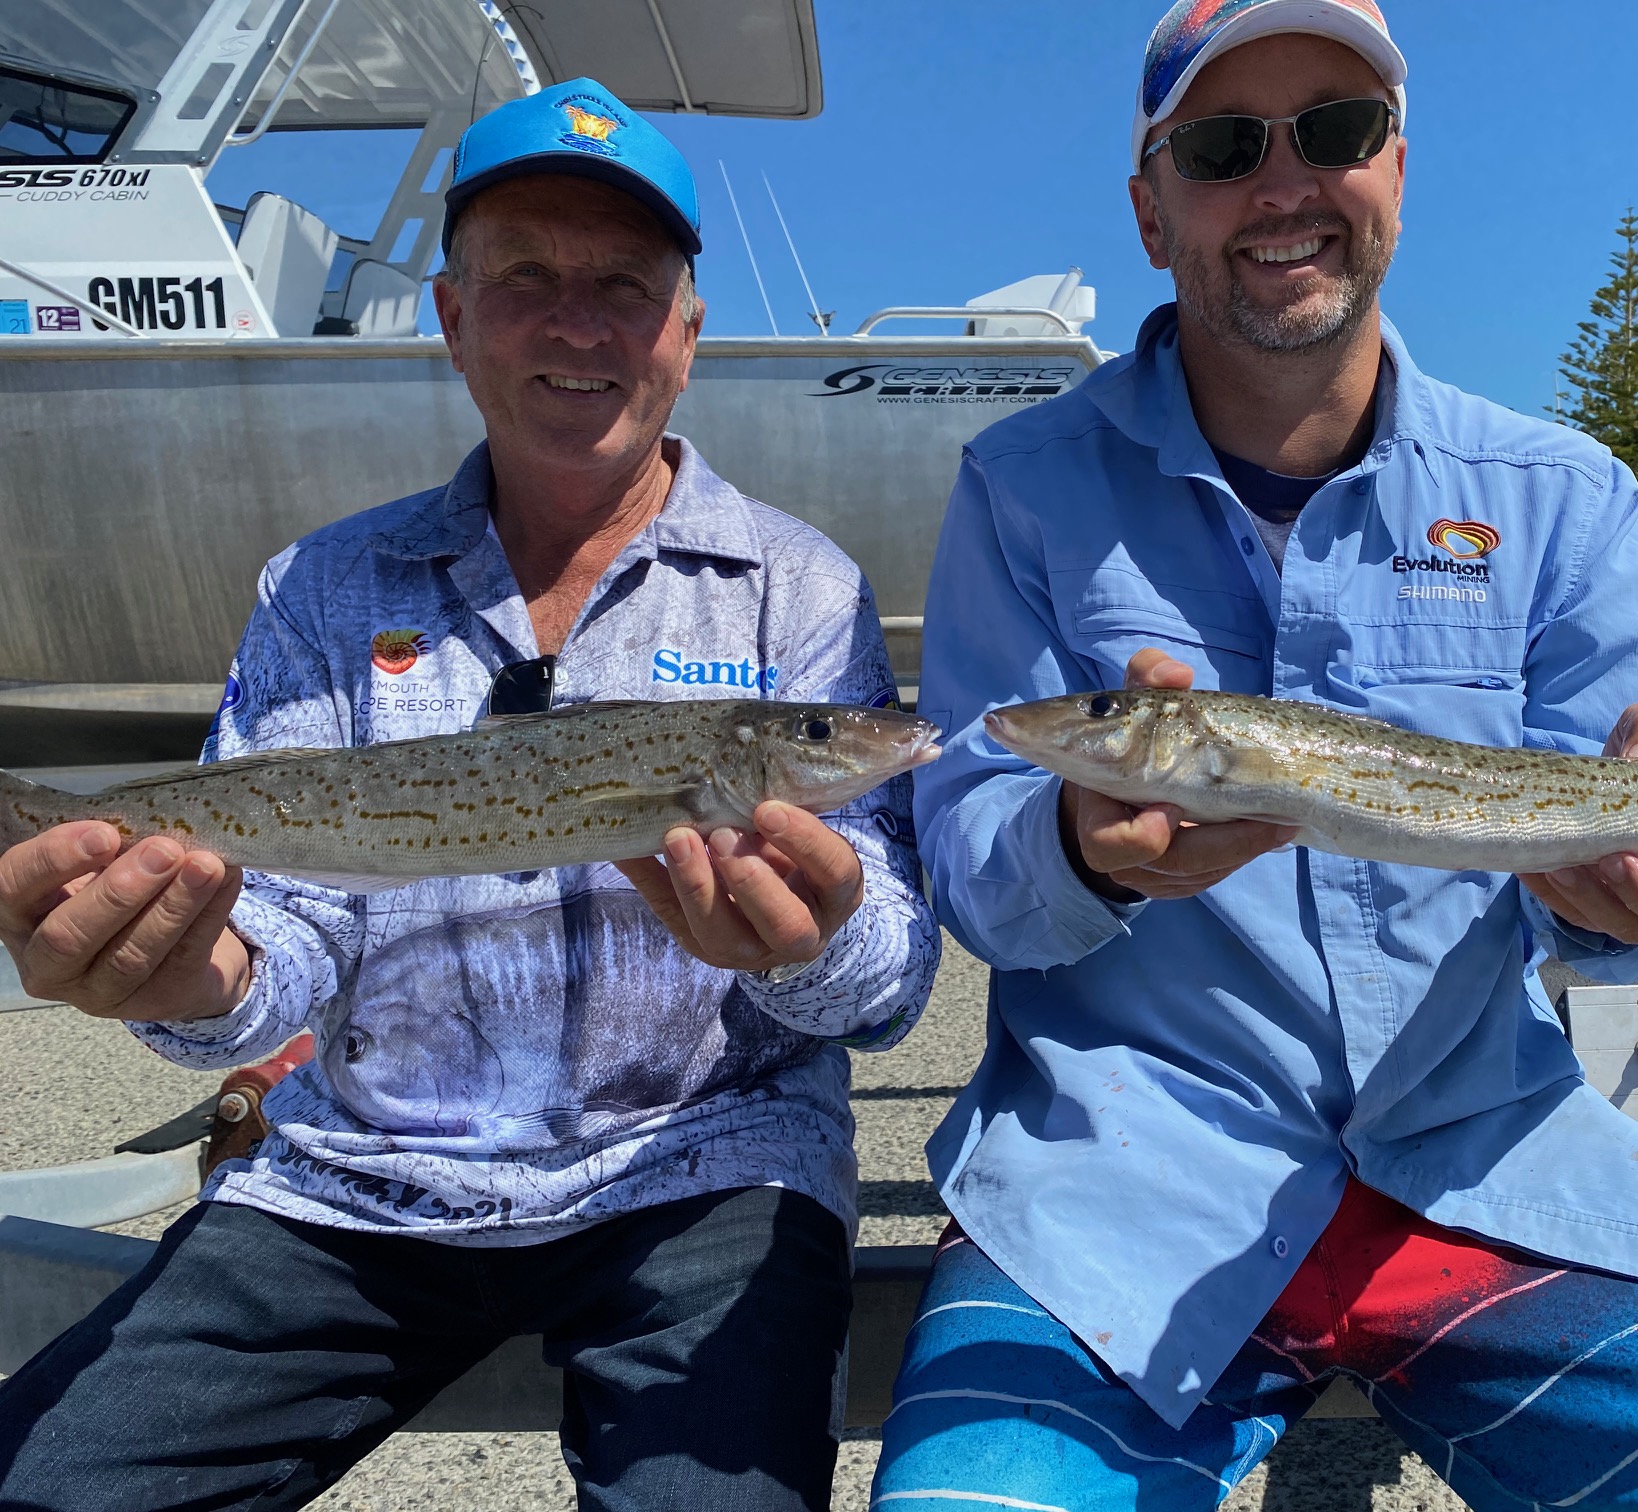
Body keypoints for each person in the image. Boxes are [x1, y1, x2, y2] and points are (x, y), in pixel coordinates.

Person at [871, 4, 1638, 1508]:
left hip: (1500, 1168)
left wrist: (1623, 903)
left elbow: (1595, 877)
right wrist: (1081, 846)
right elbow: (969, 858)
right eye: (1223, 147)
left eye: (1334, 131)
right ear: (1152, 213)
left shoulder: (1562, 493)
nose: (1285, 183)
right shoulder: (1018, 487)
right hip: (1117, 1187)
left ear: (1398, 169)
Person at [0, 78, 937, 1512]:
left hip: (707, 1163)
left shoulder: (802, 586)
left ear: (685, 332)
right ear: (450, 318)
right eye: (525, 282)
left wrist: (816, 942)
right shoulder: (321, 585)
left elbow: (887, 995)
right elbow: (291, 935)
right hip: (362, 1179)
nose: (578, 324)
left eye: (624, 284)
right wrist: (195, 983)